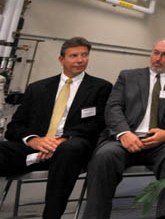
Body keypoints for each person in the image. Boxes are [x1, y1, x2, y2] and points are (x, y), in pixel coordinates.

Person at [0, 37, 111, 219]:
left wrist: (63, 139)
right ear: (61, 60)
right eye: (74, 55)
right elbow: (15, 126)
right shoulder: (37, 88)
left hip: (71, 149)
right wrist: (35, 141)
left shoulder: (100, 88)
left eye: (84, 55)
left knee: (69, 149)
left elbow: (99, 123)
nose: (80, 60)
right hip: (35, 147)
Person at [83, 39, 165, 219]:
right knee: (104, 156)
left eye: (164, 54)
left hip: (161, 142)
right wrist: (124, 133)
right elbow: (113, 107)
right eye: (155, 52)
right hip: (125, 139)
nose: (158, 58)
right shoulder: (128, 76)